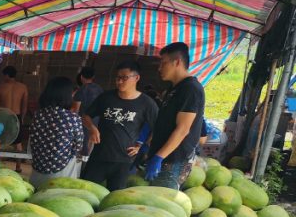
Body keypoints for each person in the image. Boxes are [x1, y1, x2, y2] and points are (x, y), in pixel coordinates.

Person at [80, 60, 159, 191]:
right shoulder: (106, 97)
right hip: (99, 156)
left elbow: (157, 127)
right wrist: (92, 129)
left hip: (124, 160)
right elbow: (86, 116)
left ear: (136, 78)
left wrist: (141, 145)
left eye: (124, 78)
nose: (119, 81)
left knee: (115, 197)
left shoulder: (147, 103)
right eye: (118, 78)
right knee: (84, 191)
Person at [144, 42, 206, 189]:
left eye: (163, 63)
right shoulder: (174, 89)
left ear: (177, 62)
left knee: (162, 205)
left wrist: (159, 157)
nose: (159, 68)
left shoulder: (190, 89)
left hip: (173, 161)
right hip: (164, 157)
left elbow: (183, 129)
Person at [28, 76, 85, 187]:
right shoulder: (72, 118)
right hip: (60, 174)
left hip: (37, 170)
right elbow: (78, 146)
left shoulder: (38, 115)